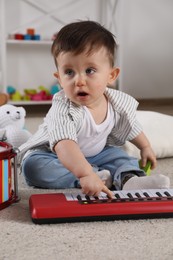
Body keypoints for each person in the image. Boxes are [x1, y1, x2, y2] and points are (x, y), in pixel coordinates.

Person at [19, 20, 170, 198]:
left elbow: (131, 125)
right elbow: (65, 146)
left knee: (121, 158)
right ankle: (95, 176)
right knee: (34, 168)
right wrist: (85, 174)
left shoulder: (117, 103)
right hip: (54, 155)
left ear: (111, 75)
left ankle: (130, 179)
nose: (79, 81)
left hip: (97, 154)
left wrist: (145, 146)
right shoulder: (63, 107)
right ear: (59, 79)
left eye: (90, 70)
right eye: (69, 72)